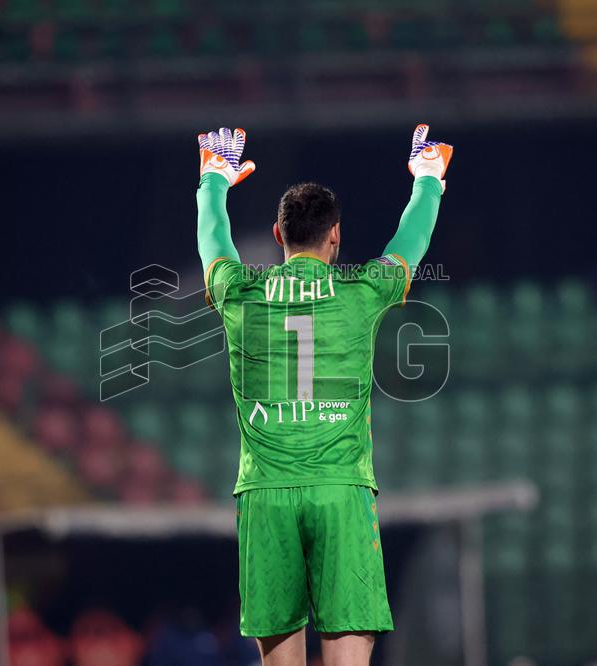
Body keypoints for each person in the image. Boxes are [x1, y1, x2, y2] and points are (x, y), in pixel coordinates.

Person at [194, 125, 451, 665]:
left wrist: (213, 180)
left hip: (266, 493)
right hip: (340, 491)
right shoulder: (362, 292)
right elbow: (412, 240)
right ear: (334, 235)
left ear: (277, 234)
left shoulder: (239, 292)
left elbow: (213, 240)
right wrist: (428, 177)